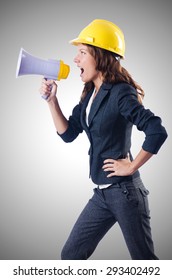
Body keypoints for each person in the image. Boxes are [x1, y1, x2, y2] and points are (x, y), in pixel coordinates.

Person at [39, 19, 167, 260]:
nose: (75, 59)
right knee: (70, 255)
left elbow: (157, 131)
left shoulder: (121, 92)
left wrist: (131, 165)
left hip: (125, 193)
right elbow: (68, 134)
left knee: (144, 263)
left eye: (82, 52)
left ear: (100, 56)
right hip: (103, 194)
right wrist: (51, 101)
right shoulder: (89, 93)